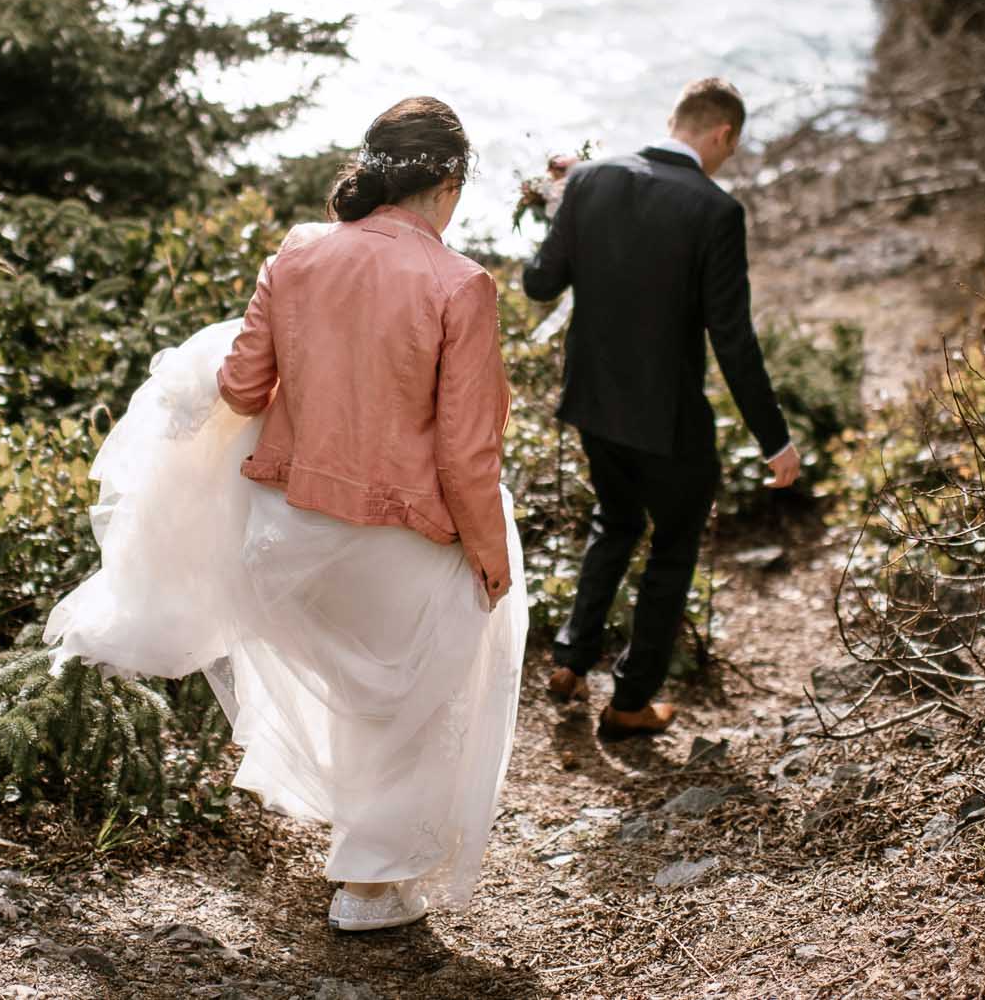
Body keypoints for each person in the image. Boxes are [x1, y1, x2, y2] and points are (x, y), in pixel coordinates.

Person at [44, 96, 527, 933]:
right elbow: (466, 453)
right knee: (424, 692)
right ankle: (371, 887)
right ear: (449, 182)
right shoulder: (462, 285)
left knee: (358, 690)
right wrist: (490, 554)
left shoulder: (296, 259)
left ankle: (363, 850)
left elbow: (238, 388)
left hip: (285, 536)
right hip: (396, 540)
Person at [523, 77, 801, 740]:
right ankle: (628, 701)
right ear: (723, 135)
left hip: (592, 402)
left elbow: (538, 283)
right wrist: (775, 439)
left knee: (614, 522)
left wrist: (565, 201)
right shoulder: (715, 210)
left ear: (672, 119)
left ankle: (569, 659)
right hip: (669, 422)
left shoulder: (589, 182)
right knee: (671, 550)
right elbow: (732, 340)